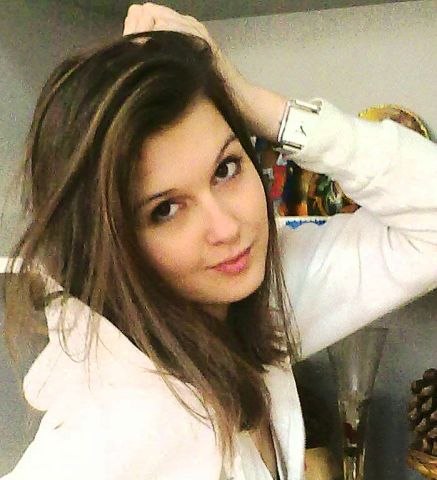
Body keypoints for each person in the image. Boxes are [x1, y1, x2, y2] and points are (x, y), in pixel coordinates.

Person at [2, 3, 437, 480]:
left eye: (226, 169)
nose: (226, 228)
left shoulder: (250, 304)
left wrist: (248, 99)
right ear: (104, 241)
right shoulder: (121, 428)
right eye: (165, 209)